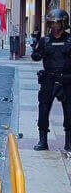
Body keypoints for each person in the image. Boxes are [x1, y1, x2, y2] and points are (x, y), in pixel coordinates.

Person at [30, 9, 71, 152]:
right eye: (52, 23)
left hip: (67, 80)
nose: (53, 26)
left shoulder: (69, 40)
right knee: (43, 109)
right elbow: (35, 56)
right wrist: (38, 52)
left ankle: (69, 142)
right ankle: (43, 141)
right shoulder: (44, 40)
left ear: (63, 23)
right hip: (49, 79)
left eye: (56, 23)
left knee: (69, 111)